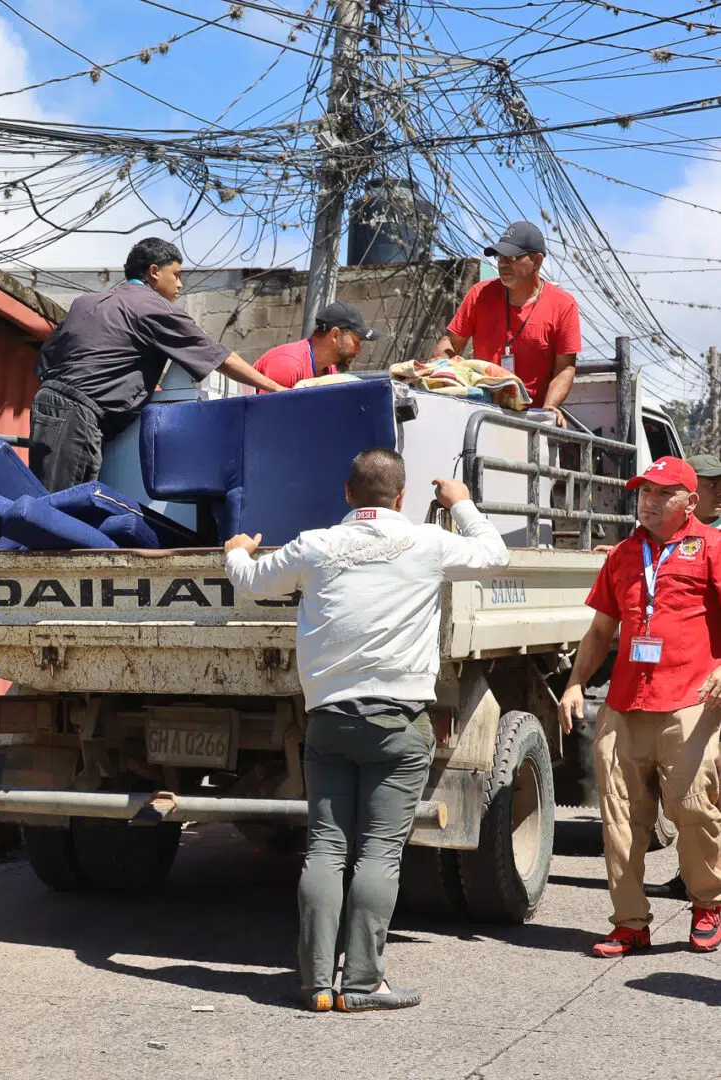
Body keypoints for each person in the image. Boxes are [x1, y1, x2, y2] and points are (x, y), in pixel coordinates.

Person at [224, 449, 509, 1012]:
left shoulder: (315, 545)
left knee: (325, 848)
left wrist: (237, 551)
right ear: (401, 499)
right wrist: (463, 504)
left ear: (348, 495)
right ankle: (362, 983)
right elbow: (494, 556)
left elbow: (251, 583)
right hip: (399, 726)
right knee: (380, 852)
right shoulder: (428, 542)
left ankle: (315, 983)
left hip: (329, 721)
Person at [559, 456, 721, 958]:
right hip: (625, 703)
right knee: (621, 818)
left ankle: (707, 904)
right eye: (643, 492)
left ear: (689, 502)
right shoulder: (624, 555)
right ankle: (630, 923)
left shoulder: (712, 547)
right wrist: (573, 685)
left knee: (693, 808)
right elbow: (601, 630)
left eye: (661, 494)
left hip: (691, 700)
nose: (647, 502)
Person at [29, 237, 285, 492]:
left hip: (46, 405)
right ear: (153, 272)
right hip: (79, 417)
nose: (180, 284)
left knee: (46, 501)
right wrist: (275, 388)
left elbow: (47, 362)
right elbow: (220, 358)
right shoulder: (155, 309)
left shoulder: (85, 302)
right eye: (175, 274)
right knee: (59, 512)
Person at [432, 220, 581, 425]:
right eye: (500, 256)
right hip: (481, 414)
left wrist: (549, 408)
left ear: (537, 261)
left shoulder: (563, 305)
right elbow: (450, 342)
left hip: (532, 420)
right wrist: (439, 365)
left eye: (512, 257)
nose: (503, 263)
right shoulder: (480, 294)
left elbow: (565, 368)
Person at [253, 302, 378, 390]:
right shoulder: (288, 364)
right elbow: (267, 420)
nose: (358, 350)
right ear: (335, 335)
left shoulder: (329, 369)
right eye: (356, 342)